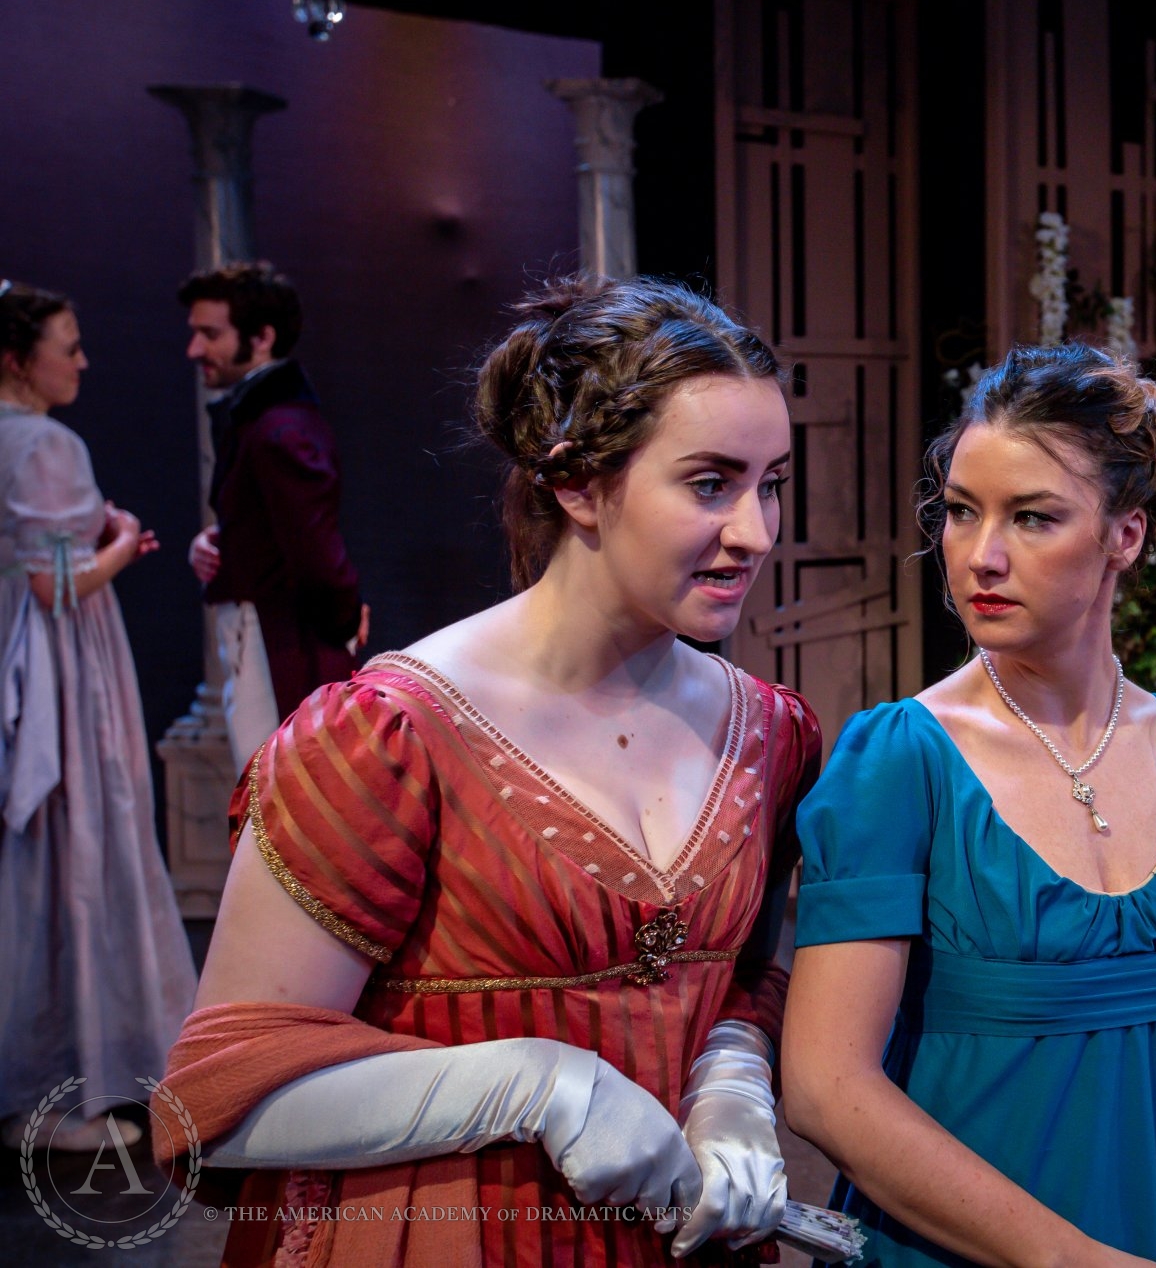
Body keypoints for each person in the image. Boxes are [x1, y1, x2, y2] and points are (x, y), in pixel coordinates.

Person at [151, 276, 818, 1266]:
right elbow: (216, 1101)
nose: (756, 531)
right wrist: (534, 1085)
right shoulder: (389, 739)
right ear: (576, 482)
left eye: (770, 483)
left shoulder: (768, 734)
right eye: (711, 483)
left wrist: (732, 1075)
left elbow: (743, 976)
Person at [783, 345, 1156, 1266]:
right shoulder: (900, 762)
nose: (981, 555)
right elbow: (822, 1084)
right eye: (962, 510)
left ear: (1125, 535)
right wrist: (1067, 1258)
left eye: (1033, 517)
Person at [0, 281, 194, 1151]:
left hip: (29, 655)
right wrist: (118, 543)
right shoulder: (44, 441)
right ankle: (56, 1090)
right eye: (67, 346)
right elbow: (55, 584)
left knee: (38, 856)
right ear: (19, 360)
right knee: (77, 843)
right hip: (61, 667)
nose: (82, 361)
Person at [179, 261, 366, 765]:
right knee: (268, 782)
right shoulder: (262, 419)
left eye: (209, 334)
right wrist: (220, 540)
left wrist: (346, 617)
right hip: (265, 631)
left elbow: (316, 548)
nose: (194, 349)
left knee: (278, 785)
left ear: (262, 337)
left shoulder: (281, 428)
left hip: (281, 640)